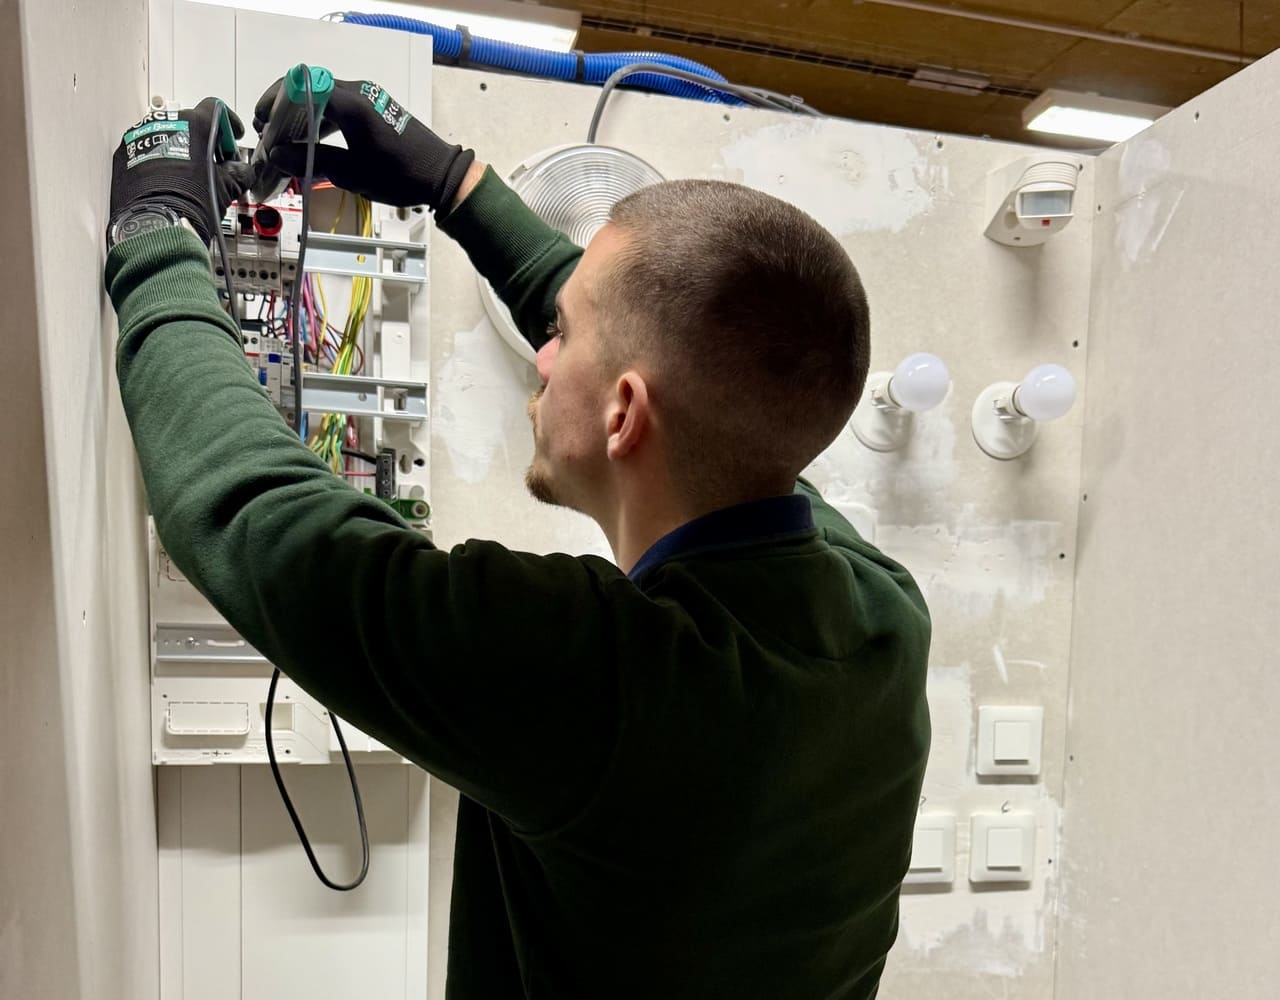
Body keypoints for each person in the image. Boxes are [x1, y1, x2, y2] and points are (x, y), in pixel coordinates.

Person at [104, 81, 931, 999]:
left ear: (624, 412)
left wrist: (156, 235)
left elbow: (256, 514)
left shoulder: (602, 685)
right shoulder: (881, 611)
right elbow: (690, 373)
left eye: (561, 335)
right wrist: (454, 184)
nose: (541, 351)